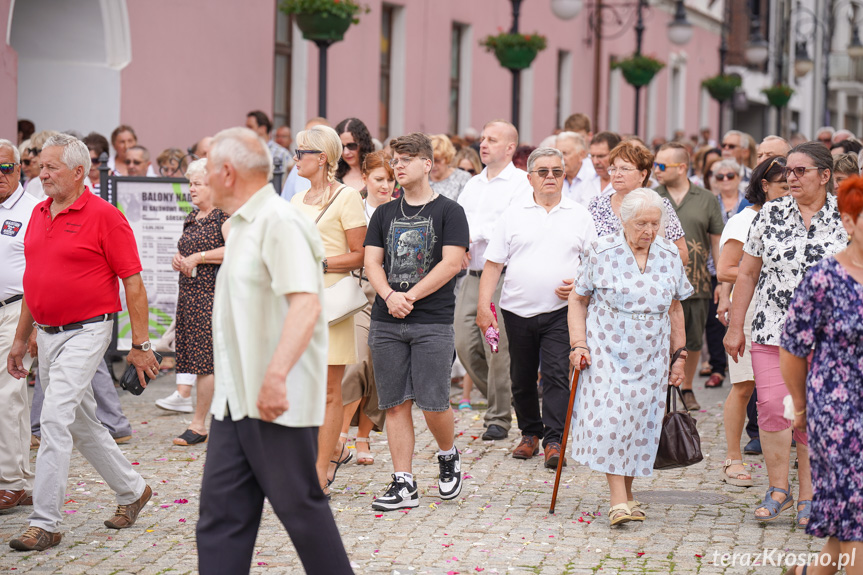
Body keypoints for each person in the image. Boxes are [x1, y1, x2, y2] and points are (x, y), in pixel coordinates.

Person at [196, 127, 353, 574]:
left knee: (301, 511)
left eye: (208, 170)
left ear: (227, 172)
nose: (204, 179)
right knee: (221, 519)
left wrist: (276, 376)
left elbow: (306, 305)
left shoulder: (280, 223)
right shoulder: (243, 225)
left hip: (272, 401)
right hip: (235, 400)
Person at [6, 134, 157, 551]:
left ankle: (46, 522)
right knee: (81, 423)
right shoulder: (38, 212)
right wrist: (21, 340)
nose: (42, 173)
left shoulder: (105, 216)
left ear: (79, 172)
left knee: (53, 418)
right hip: (48, 333)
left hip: (89, 329)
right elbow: (32, 284)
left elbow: (133, 283)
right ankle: (133, 490)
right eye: (41, 166)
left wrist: (141, 344)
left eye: (51, 167)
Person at [724, 142, 848, 526]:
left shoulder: (848, 216)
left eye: (800, 171)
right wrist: (734, 325)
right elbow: (747, 272)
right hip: (773, 330)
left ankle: (810, 496)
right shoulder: (770, 214)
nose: (790, 178)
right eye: (788, 172)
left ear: (824, 176)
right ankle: (779, 489)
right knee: (773, 410)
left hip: (830, 335)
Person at [568, 188, 692, 526]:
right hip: (606, 349)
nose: (648, 231)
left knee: (640, 423)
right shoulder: (600, 250)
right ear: (624, 220)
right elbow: (577, 300)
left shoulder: (668, 254)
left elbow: (676, 307)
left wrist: (678, 357)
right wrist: (578, 344)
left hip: (652, 352)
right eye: (641, 224)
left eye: (654, 223)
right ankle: (617, 500)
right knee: (613, 421)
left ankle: (629, 495)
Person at [364, 133, 468, 510]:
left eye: (407, 158)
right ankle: (403, 481)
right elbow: (372, 262)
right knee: (394, 403)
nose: (399, 165)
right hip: (387, 319)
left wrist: (410, 296)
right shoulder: (384, 213)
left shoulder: (449, 212)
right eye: (395, 160)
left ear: (427, 164)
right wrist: (390, 296)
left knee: (433, 401)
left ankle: (447, 454)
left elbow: (452, 263)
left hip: (431, 321)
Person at [477, 147, 597, 468]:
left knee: (557, 375)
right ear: (529, 177)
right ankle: (530, 433)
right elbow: (492, 265)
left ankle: (554, 440)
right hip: (517, 310)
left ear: (564, 176)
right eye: (542, 172)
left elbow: (595, 263)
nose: (550, 178)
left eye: (557, 172)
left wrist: (579, 281)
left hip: (561, 311)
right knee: (521, 376)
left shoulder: (579, 214)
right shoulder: (513, 214)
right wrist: (483, 306)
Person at [780, 176, 863, 575]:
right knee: (857, 509)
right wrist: (801, 406)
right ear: (849, 222)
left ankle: (811, 573)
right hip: (839, 408)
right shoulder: (824, 278)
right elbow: (793, 348)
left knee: (849, 511)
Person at [291, 125, 366, 495]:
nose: (295, 158)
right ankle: (307, 462)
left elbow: (360, 254)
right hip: (297, 302)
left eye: (301, 151)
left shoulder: (347, 197)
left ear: (321, 158)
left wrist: (318, 263)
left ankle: (321, 470)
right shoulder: (294, 201)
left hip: (332, 302)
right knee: (302, 388)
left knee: (329, 391)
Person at [715, 155, 789, 487]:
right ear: (765, 186)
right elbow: (726, 269)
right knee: (745, 385)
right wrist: (768, 275)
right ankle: (733, 458)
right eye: (784, 186)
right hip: (750, 309)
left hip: (785, 313)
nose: (791, 192)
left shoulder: (792, 218)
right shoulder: (744, 221)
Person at [456, 120, 532, 441]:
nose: (482, 144)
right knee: (464, 343)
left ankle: (498, 417)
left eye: (491, 139)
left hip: (502, 275)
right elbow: (458, 221)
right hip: (471, 273)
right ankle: (508, 395)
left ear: (510, 148)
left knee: (495, 347)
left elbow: (507, 228)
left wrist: (473, 235)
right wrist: (459, 243)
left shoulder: (521, 184)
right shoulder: (473, 184)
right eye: (482, 139)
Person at [154, 159, 230, 445]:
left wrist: (199, 257)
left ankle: (199, 425)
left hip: (211, 296)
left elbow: (234, 249)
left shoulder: (223, 216)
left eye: (198, 183)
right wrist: (179, 260)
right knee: (197, 363)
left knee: (205, 364)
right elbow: (186, 249)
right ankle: (210, 422)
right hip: (188, 295)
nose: (192, 188)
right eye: (190, 183)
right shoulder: (192, 216)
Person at [654, 143, 724, 410]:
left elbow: (716, 242)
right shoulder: (652, 195)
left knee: (693, 338)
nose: (656, 171)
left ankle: (687, 386)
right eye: (655, 165)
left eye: (662, 166)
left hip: (697, 281)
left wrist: (722, 282)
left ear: (682, 168)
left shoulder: (705, 198)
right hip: (659, 283)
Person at [339, 151, 395, 466]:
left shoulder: (402, 212)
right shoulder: (354, 210)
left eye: (390, 179)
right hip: (357, 290)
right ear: (365, 179)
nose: (385, 185)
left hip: (391, 295)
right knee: (357, 362)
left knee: (380, 369)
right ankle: (339, 438)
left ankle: (363, 437)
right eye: (379, 179)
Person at [0, 139, 39, 513]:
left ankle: (11, 482)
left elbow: (39, 271)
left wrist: (34, 328)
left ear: (19, 169)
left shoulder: (32, 210)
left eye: (5, 168)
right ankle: (18, 480)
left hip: (17, 311)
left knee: (8, 396)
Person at [588, 141, 689, 262]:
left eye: (625, 169)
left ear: (642, 175)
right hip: (605, 278)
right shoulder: (597, 205)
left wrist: (647, 260)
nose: (617, 174)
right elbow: (586, 249)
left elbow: (682, 255)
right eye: (613, 169)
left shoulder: (660, 205)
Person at [555, 131, 599, 208]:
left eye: (565, 153)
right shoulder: (553, 178)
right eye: (557, 154)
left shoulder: (593, 179)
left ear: (581, 155)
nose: (560, 159)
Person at [246, 110, 292, 178]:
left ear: (263, 129)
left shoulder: (282, 153)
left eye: (250, 127)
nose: (246, 130)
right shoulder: (246, 151)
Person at [334, 118, 374, 191]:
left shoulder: (379, 171)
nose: (346, 152)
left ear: (363, 144)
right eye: (341, 147)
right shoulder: (333, 177)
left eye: (351, 146)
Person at [429, 134, 471, 201]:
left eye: (437, 160)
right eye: (430, 160)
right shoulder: (422, 179)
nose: (433, 165)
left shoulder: (462, 178)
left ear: (447, 158)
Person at [588, 131, 622, 199]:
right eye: (592, 156)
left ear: (615, 154)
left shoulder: (625, 184)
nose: (595, 162)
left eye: (601, 156)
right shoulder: (584, 181)